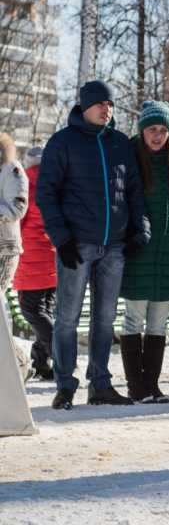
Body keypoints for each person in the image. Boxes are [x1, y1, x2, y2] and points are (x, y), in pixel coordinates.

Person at [37, 80, 149, 409]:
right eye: (101, 103)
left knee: (105, 319)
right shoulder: (62, 142)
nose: (107, 109)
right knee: (67, 318)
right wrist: (62, 239)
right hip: (77, 244)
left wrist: (140, 230)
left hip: (114, 246)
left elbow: (134, 191)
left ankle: (100, 384)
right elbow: (46, 193)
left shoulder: (120, 143)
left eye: (110, 104)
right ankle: (65, 385)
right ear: (85, 106)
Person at [118, 101, 169, 403]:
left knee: (158, 322)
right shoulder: (128, 156)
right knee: (134, 318)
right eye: (152, 129)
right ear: (142, 130)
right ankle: (135, 386)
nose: (158, 135)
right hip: (138, 251)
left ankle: (151, 385)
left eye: (163, 130)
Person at [12, 146, 56, 381]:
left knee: (32, 311)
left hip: (30, 260)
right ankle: (41, 362)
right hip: (53, 259)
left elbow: (16, 223)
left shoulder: (24, 185)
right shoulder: (55, 184)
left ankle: (62, 354)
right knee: (44, 310)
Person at [0, 134, 29, 379]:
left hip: (5, 249)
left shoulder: (12, 169)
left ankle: (19, 364)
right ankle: (17, 364)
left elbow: (18, 207)